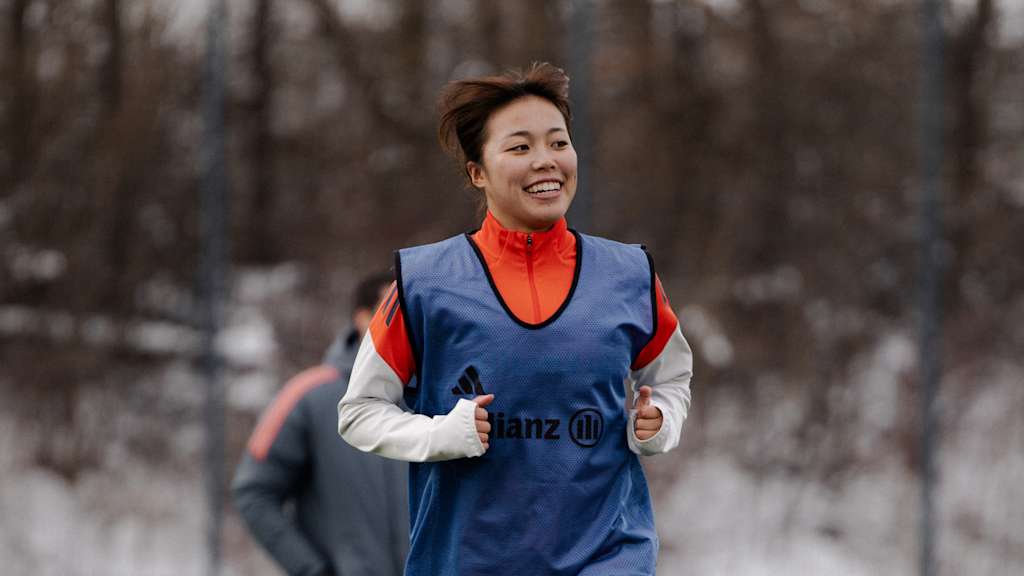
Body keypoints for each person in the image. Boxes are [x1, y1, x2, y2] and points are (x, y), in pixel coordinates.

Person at [338, 62, 693, 575]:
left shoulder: (629, 274)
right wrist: (439, 434)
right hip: (468, 561)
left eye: (558, 143)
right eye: (520, 147)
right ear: (477, 172)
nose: (546, 162)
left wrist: (658, 421)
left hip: (608, 556)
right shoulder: (425, 282)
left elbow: (672, 379)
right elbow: (359, 412)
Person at [233, 272, 409, 576]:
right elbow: (255, 494)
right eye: (393, 311)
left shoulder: (443, 395)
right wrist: (312, 569)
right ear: (362, 318)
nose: (408, 324)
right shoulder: (308, 396)